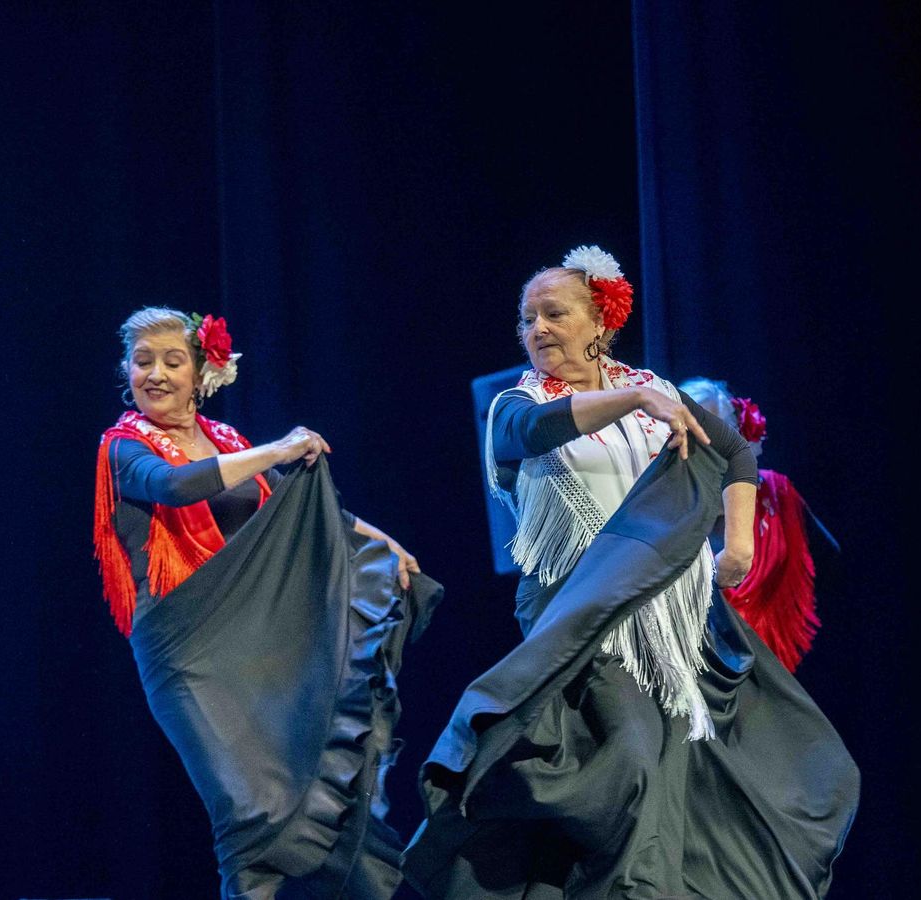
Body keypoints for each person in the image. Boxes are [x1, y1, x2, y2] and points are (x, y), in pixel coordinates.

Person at [402, 247, 859, 899]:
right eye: (527, 319)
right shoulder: (516, 404)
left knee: (700, 776)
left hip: (672, 619)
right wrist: (633, 397)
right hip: (579, 617)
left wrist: (737, 549)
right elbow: (531, 432)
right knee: (634, 762)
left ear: (600, 323)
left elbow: (732, 452)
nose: (538, 329)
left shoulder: (655, 394)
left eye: (554, 313)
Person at [93, 307, 441, 899]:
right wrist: (278, 449)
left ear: (201, 370)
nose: (154, 374)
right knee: (244, 807)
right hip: (185, 646)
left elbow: (305, 514)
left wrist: (386, 544)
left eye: (172, 361)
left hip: (255, 634)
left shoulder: (227, 441)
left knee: (302, 786)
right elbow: (176, 486)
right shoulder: (123, 445)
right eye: (142, 361)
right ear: (125, 369)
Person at [679, 377, 839, 672]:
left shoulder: (774, 494)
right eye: (694, 427)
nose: (705, 438)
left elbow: (831, 563)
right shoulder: (667, 503)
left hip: (779, 663)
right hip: (699, 667)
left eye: (715, 426)